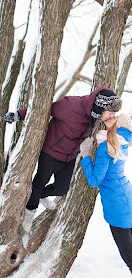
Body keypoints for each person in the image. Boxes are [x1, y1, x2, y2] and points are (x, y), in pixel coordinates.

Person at [3, 87, 122, 232]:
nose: (111, 116)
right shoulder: (70, 105)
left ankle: (40, 196)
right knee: (39, 183)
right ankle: (29, 214)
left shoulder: (95, 117)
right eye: (110, 112)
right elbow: (43, 109)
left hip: (70, 157)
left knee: (62, 188)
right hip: (51, 152)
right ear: (100, 107)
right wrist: (18, 115)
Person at [80, 114, 132, 278]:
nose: (111, 117)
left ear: (119, 124)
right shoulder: (123, 140)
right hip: (127, 198)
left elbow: (95, 180)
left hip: (117, 203)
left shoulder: (107, 146)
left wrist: (86, 156)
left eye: (115, 116)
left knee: (130, 257)